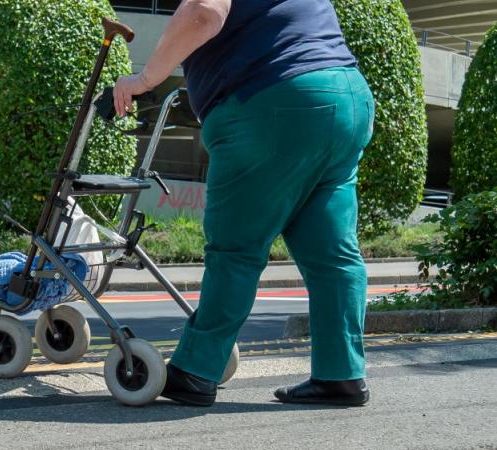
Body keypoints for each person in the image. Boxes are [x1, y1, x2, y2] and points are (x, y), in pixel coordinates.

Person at [113, 0, 375, 407]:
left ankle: (197, 370)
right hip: (345, 98)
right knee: (332, 254)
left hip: (275, 104)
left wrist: (146, 78)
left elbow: (202, 12)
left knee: (236, 248)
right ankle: (341, 374)